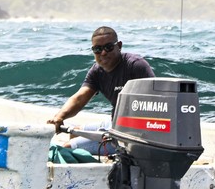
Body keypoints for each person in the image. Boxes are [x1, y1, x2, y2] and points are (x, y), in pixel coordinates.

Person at [46, 26, 156, 155]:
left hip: (134, 134)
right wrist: (59, 116)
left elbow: (155, 102)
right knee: (75, 132)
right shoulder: (97, 71)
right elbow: (80, 98)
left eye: (108, 47)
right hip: (115, 123)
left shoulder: (135, 66)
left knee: (68, 147)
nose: (103, 53)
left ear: (119, 46)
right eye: (97, 49)